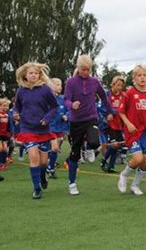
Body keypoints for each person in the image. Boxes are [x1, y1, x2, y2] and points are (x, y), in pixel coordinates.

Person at [64, 55, 113, 195]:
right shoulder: (71, 82)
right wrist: (72, 105)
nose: (86, 72)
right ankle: (72, 183)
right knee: (74, 153)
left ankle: (90, 148)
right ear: (78, 68)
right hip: (76, 121)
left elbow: (104, 97)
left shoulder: (94, 82)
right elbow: (66, 99)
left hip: (91, 117)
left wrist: (110, 112)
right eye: (83, 69)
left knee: (94, 141)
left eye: (88, 69)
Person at [14, 62, 59, 199]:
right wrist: (15, 114)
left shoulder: (45, 89)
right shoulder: (21, 91)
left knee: (43, 162)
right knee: (34, 157)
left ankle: (42, 175)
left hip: (43, 130)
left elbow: (54, 107)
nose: (33, 75)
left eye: (36, 73)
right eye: (31, 73)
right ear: (25, 75)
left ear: (40, 75)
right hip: (27, 128)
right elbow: (17, 107)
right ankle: (37, 188)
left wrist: (47, 118)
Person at [117, 64, 146, 195]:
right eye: (139, 75)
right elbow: (121, 112)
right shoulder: (129, 93)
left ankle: (135, 185)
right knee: (138, 159)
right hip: (133, 132)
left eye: (144, 75)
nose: (142, 78)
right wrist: (128, 124)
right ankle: (124, 175)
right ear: (134, 78)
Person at [101, 76, 126, 173]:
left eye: (121, 85)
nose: (119, 87)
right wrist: (109, 113)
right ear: (113, 84)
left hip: (119, 123)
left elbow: (124, 108)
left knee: (118, 145)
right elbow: (102, 106)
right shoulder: (107, 94)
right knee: (114, 144)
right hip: (110, 124)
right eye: (118, 85)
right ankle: (104, 160)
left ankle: (110, 166)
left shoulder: (123, 96)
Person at [47, 77, 69, 178]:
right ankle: (50, 167)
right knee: (55, 148)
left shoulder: (63, 98)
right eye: (57, 84)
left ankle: (50, 167)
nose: (60, 87)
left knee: (55, 149)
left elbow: (68, 110)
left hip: (60, 127)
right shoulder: (47, 98)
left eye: (60, 84)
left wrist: (66, 115)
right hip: (50, 127)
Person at [0, 98, 14, 171]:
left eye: (7, 106)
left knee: (5, 148)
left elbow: (10, 124)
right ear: (0, 106)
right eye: (4, 106)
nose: (6, 107)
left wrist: (11, 133)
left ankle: (3, 162)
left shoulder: (8, 114)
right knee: (1, 148)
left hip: (5, 134)